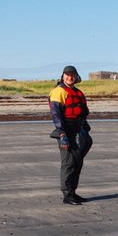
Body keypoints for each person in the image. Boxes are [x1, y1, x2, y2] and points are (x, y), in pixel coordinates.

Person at [49, 65, 93, 205]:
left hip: (79, 131)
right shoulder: (58, 92)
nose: (70, 77)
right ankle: (67, 194)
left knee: (77, 162)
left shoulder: (79, 93)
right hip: (65, 132)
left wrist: (84, 128)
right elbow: (56, 114)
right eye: (67, 75)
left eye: (72, 75)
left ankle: (73, 192)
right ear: (63, 76)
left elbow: (83, 113)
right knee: (68, 162)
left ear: (76, 77)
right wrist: (62, 134)